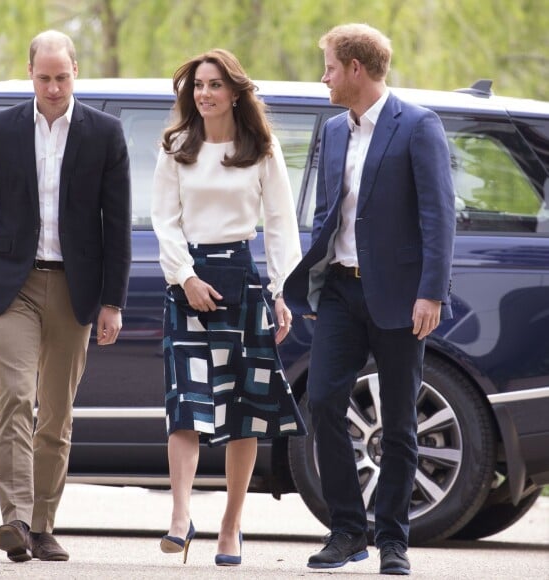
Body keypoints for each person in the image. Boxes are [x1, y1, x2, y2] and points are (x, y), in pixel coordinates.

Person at [283, 24, 456, 575]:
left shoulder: (418, 126)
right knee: (326, 403)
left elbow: (438, 216)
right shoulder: (335, 130)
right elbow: (325, 210)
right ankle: (347, 531)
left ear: (356, 68)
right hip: (339, 289)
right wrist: (311, 280)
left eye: (330, 67)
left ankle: (393, 541)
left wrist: (431, 292)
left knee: (400, 421)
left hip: (402, 298)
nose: (324, 77)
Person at [0, 30, 131, 562]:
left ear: (75, 72)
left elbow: (117, 225)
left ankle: (42, 525)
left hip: (74, 287)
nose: (54, 87)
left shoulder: (105, 133)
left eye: (62, 77)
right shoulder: (1, 128)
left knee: (55, 414)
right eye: (45, 78)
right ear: (30, 73)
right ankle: (13, 518)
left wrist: (113, 301)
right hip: (12, 284)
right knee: (15, 397)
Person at [151, 48, 306, 567]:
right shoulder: (176, 146)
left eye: (215, 84)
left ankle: (231, 526)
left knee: (243, 412)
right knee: (186, 405)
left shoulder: (261, 148)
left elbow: (281, 223)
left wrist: (285, 291)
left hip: (242, 281)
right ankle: (180, 517)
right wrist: (186, 276)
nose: (205, 93)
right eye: (198, 85)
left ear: (235, 92)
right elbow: (164, 221)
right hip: (188, 284)